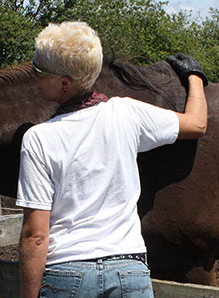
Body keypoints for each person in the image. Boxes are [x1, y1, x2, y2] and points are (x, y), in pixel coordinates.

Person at [16, 21, 208, 298]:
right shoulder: (126, 114)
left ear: (64, 83)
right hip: (129, 271)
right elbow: (197, 124)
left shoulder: (39, 138)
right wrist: (194, 77)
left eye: (38, 70)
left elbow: (35, 235)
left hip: (67, 273)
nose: (34, 76)